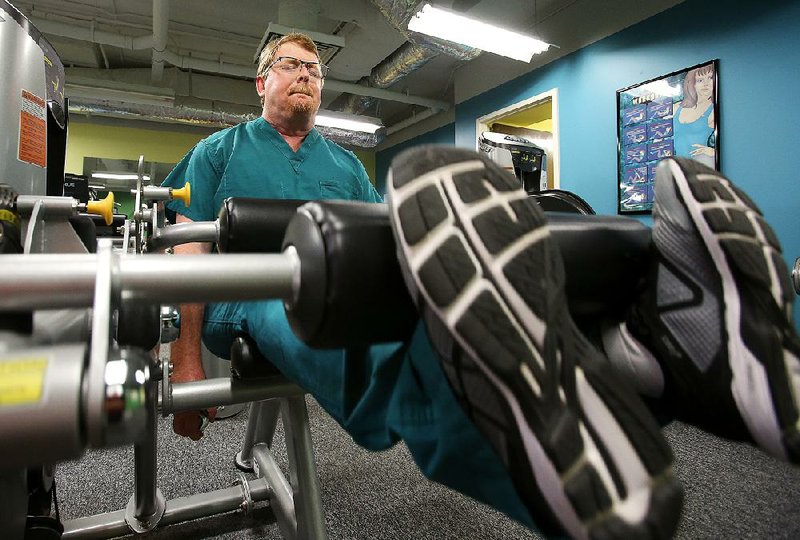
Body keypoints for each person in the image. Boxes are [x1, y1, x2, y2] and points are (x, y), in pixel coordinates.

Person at [163, 33, 800, 539]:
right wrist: (186, 355)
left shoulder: (345, 164)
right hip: (256, 295)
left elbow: (390, 238)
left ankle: (650, 344)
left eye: (315, 70)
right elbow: (190, 241)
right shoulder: (220, 150)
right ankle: (553, 436)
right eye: (292, 65)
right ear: (262, 81)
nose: (306, 75)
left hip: (354, 275)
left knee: (440, 283)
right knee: (323, 309)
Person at [671, 64, 716, 168]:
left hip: (699, 169)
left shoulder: (713, 110)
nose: (706, 84)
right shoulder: (675, 108)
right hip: (676, 171)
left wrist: (712, 152)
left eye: (710, 78)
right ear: (691, 84)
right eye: (700, 80)